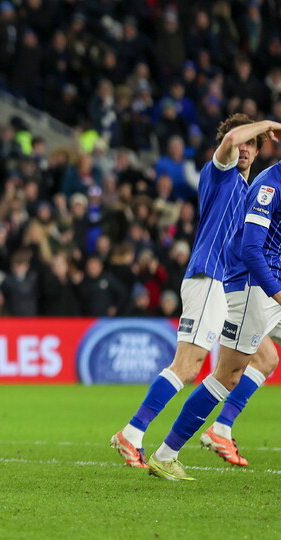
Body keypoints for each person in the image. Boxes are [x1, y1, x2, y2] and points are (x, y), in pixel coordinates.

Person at [110, 114, 281, 471]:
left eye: (252, 144)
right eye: (241, 143)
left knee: (264, 357)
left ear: (259, 150)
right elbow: (231, 139)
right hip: (208, 276)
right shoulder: (219, 172)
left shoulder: (248, 188)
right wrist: (265, 124)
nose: (244, 148)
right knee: (188, 365)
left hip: (227, 283)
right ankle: (134, 432)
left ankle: (218, 429)